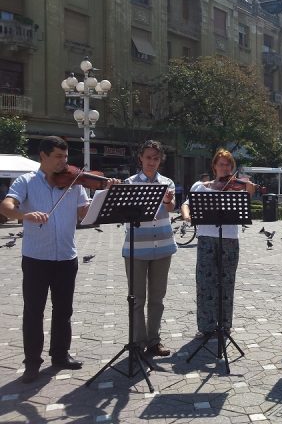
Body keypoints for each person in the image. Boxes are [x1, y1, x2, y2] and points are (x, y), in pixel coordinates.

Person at [0, 136, 117, 383]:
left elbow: (84, 214)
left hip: (66, 256)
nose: (64, 163)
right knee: (34, 311)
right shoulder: (27, 181)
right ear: (42, 156)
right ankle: (32, 362)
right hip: (36, 258)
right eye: (58, 157)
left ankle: (60, 356)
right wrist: (24, 214)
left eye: (65, 157)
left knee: (63, 310)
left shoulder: (74, 184)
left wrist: (104, 193)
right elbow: (6, 205)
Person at [181, 149, 255, 338]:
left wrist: (248, 187)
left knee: (226, 282)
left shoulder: (236, 185)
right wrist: (188, 216)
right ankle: (205, 327)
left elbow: (250, 194)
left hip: (229, 238)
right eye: (221, 164)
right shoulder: (201, 186)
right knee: (205, 282)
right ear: (214, 166)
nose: (225, 168)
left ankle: (224, 326)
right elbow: (186, 203)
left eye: (228, 165)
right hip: (206, 238)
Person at [122, 140, 177, 357]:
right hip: (136, 247)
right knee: (136, 299)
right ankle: (137, 342)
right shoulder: (128, 183)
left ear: (160, 160)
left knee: (157, 299)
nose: (151, 162)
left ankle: (154, 341)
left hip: (163, 246)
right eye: (148, 158)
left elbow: (171, 208)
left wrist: (166, 201)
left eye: (156, 158)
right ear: (141, 159)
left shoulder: (167, 182)